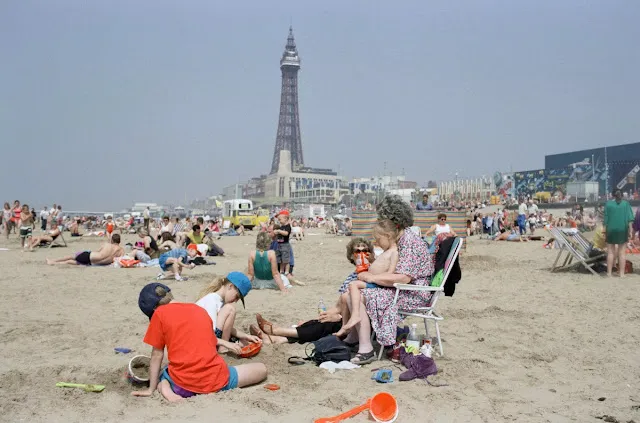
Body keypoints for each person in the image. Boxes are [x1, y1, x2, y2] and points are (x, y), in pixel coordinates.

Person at [131, 283, 267, 402]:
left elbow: (156, 355)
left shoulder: (160, 314)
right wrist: (228, 343)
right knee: (261, 369)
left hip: (182, 386)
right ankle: (168, 385)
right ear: (170, 295)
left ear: (154, 310)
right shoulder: (199, 310)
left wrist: (151, 388)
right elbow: (208, 339)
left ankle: (166, 389)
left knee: (164, 373)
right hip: (216, 380)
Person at [345, 195, 435, 365]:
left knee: (360, 296)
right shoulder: (403, 239)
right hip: (404, 289)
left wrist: (372, 277)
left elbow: (403, 277)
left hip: (414, 293)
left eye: (383, 220)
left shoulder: (410, 242)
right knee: (354, 292)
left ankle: (365, 349)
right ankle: (359, 339)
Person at [335, 221, 399, 338]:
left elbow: (390, 273)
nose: (377, 243)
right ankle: (346, 326)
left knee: (353, 285)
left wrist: (373, 277)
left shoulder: (394, 253)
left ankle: (355, 315)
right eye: (357, 251)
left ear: (388, 236)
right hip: (371, 282)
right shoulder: (386, 252)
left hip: (377, 284)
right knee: (347, 292)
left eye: (378, 239)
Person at [195, 272, 262, 354]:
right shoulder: (211, 300)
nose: (235, 301)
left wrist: (247, 336)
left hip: (209, 338)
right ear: (230, 286)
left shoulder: (219, 301)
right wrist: (226, 344)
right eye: (237, 297)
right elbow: (208, 333)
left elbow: (225, 328)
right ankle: (222, 348)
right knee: (230, 309)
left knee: (245, 343)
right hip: (203, 340)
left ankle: (269, 338)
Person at [604, 189, 634, 277]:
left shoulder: (608, 204)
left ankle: (609, 273)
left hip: (611, 229)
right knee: (622, 252)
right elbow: (630, 218)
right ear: (622, 195)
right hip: (622, 229)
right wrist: (631, 230)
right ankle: (621, 274)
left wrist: (605, 230)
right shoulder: (626, 204)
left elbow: (606, 219)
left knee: (610, 252)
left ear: (612, 195)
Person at [46, 234, 124, 266]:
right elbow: (121, 260)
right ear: (119, 241)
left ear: (112, 240)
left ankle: (53, 261)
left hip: (91, 257)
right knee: (72, 262)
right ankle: (54, 262)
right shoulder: (121, 250)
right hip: (94, 263)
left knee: (71, 257)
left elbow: (97, 251)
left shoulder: (107, 244)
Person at [274, 210, 292, 275]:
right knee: (281, 259)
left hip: (285, 244)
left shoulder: (288, 226)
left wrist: (279, 231)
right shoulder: (281, 227)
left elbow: (286, 233)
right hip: (279, 244)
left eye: (280, 219)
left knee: (286, 259)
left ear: (285, 218)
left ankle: (287, 271)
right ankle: (281, 271)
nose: (279, 221)